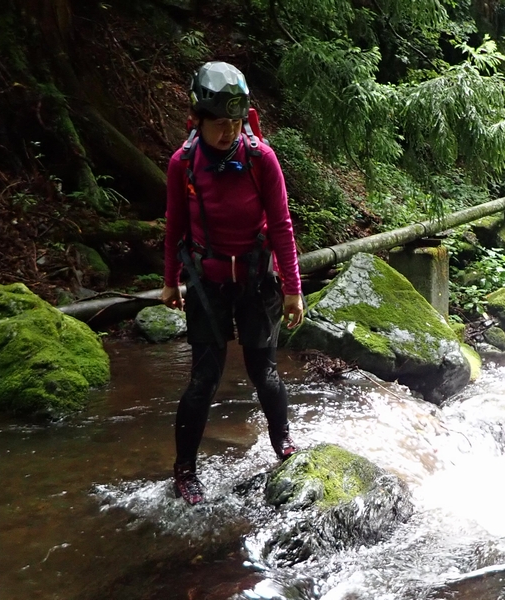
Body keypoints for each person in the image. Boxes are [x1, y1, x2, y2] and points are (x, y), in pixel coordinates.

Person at [161, 61, 305, 505]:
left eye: (236, 122)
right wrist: (170, 281)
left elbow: (281, 225)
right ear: (197, 120)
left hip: (258, 280)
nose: (229, 132)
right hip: (208, 284)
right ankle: (185, 471)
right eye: (219, 124)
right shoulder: (183, 165)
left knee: (264, 371)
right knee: (204, 379)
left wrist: (293, 288)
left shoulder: (261, 159)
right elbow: (174, 226)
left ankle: (283, 444)